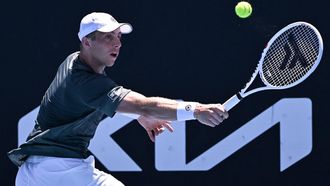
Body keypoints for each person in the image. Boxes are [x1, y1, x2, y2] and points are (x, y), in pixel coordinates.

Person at [8, 12, 229, 186]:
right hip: (53, 172)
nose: (117, 43)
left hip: (51, 169)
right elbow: (145, 105)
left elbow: (112, 102)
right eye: (108, 37)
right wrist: (196, 110)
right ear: (87, 41)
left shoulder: (76, 61)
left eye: (119, 37)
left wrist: (139, 115)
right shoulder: (83, 82)